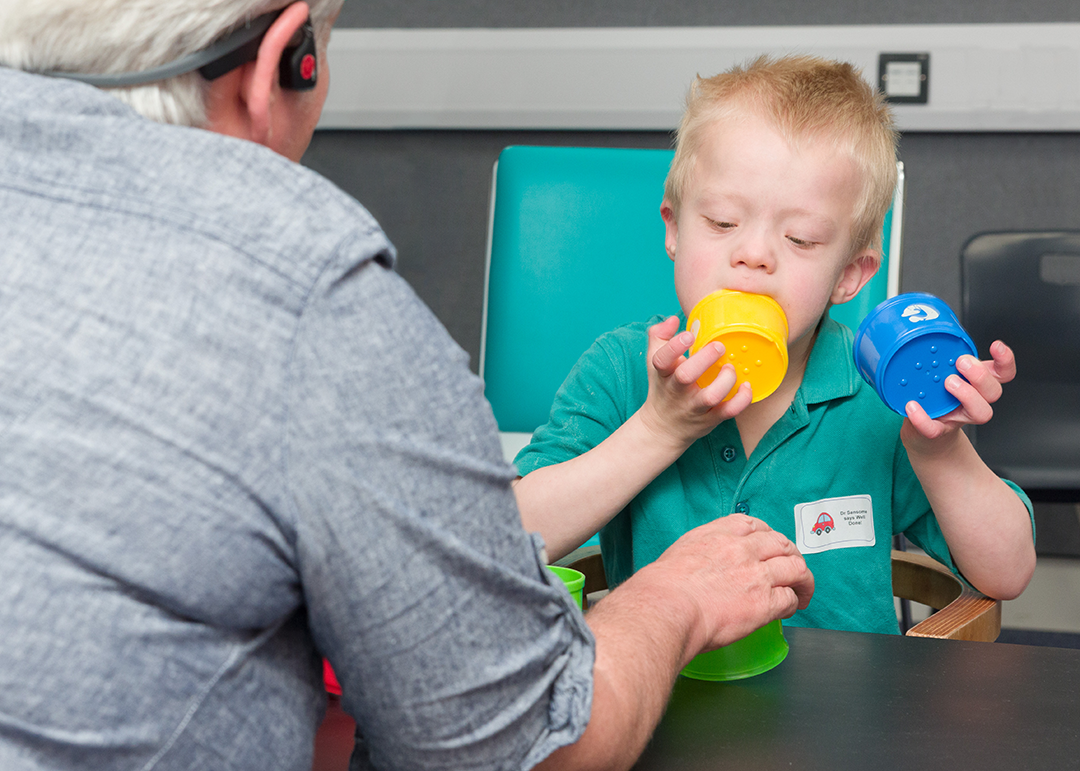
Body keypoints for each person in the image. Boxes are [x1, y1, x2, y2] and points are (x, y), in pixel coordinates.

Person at [0, 4, 814, 770]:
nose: (754, 256)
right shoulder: (314, 301)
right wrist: (674, 596)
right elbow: (526, 745)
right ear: (286, 59)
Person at [513, 55, 1036, 634]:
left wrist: (940, 451)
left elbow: (1008, 572)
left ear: (850, 275)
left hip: (843, 717)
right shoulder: (621, 370)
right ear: (673, 229)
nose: (754, 254)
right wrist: (660, 429)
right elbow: (504, 534)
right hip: (662, 709)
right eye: (721, 222)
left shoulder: (878, 395)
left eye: (800, 238)